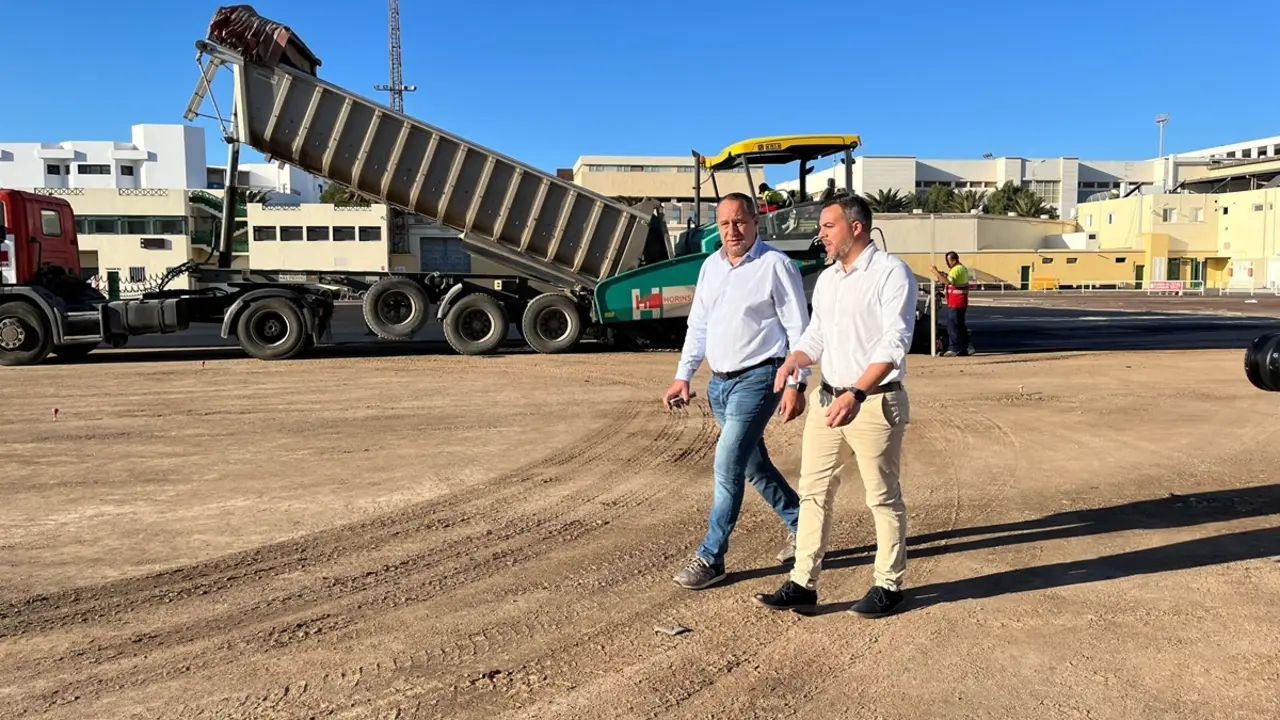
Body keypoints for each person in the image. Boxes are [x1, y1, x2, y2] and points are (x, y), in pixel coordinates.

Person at [753, 193, 917, 617]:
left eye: (828, 226)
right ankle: (803, 583)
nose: (820, 235)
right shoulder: (828, 279)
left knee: (881, 497)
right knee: (813, 492)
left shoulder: (891, 274)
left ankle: (888, 584)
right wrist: (795, 359)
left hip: (873, 403)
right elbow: (816, 335)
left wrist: (857, 393)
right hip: (829, 400)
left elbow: (894, 344)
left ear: (855, 227)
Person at [663, 191, 811, 590]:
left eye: (740, 222)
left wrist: (797, 384)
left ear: (755, 222)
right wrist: (683, 375)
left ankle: (712, 557)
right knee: (753, 466)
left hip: (761, 379)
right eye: (725, 223)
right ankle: (803, 524)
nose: (732, 230)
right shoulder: (711, 266)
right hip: (719, 384)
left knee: (726, 465)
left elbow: (799, 330)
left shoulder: (776, 265)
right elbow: (699, 327)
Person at [931, 251, 974, 356]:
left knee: (953, 325)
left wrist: (935, 272)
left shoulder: (956, 270)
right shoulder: (962, 268)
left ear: (953, 260)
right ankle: (964, 347)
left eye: (948, 260)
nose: (947, 263)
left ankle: (953, 348)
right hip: (960, 301)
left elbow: (947, 282)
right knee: (960, 325)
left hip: (956, 302)